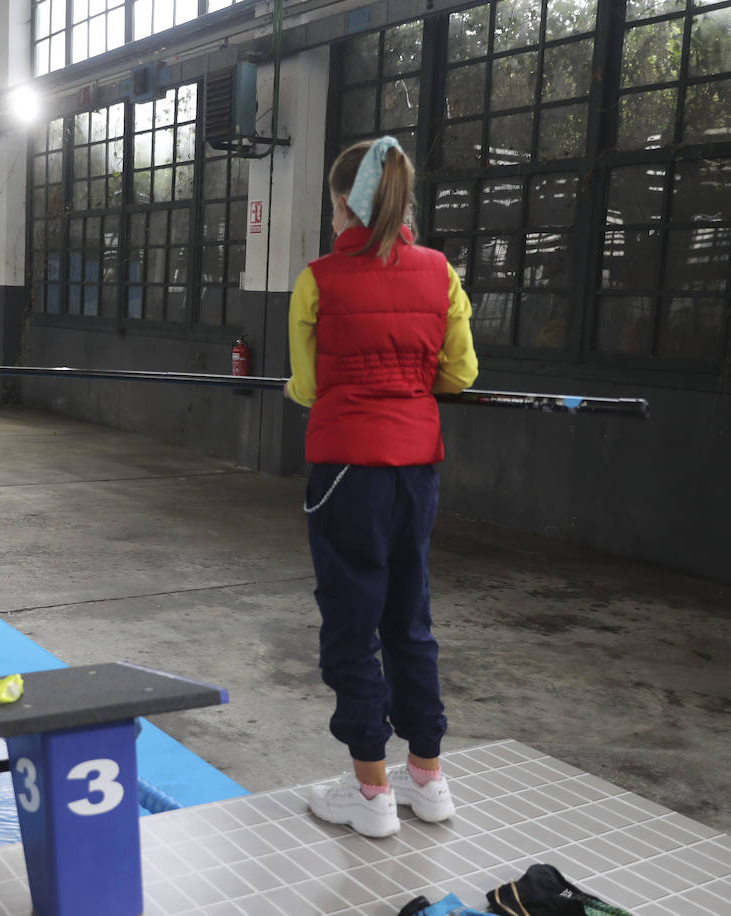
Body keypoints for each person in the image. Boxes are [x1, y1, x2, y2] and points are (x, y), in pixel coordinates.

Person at [285, 136, 478, 839]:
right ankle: (427, 778)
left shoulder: (318, 279)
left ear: (342, 200)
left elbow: (308, 389)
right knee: (409, 618)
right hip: (415, 471)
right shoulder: (441, 274)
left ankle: (370, 793)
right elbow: (460, 377)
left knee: (351, 622)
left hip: (344, 472)